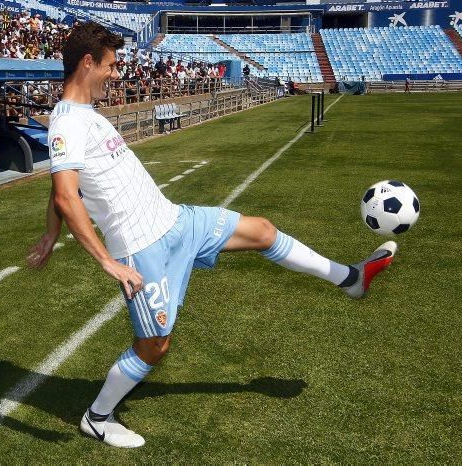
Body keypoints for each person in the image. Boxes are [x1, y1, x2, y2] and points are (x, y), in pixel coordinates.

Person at [27, 22, 399, 449]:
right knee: (154, 346)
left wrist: (49, 234)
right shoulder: (67, 123)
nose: (116, 75)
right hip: (142, 249)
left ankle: (349, 279)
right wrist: (109, 263)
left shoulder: (85, 116)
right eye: (110, 66)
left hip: (177, 221)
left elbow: (61, 191)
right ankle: (97, 417)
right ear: (87, 62)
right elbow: (64, 194)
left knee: (262, 231)